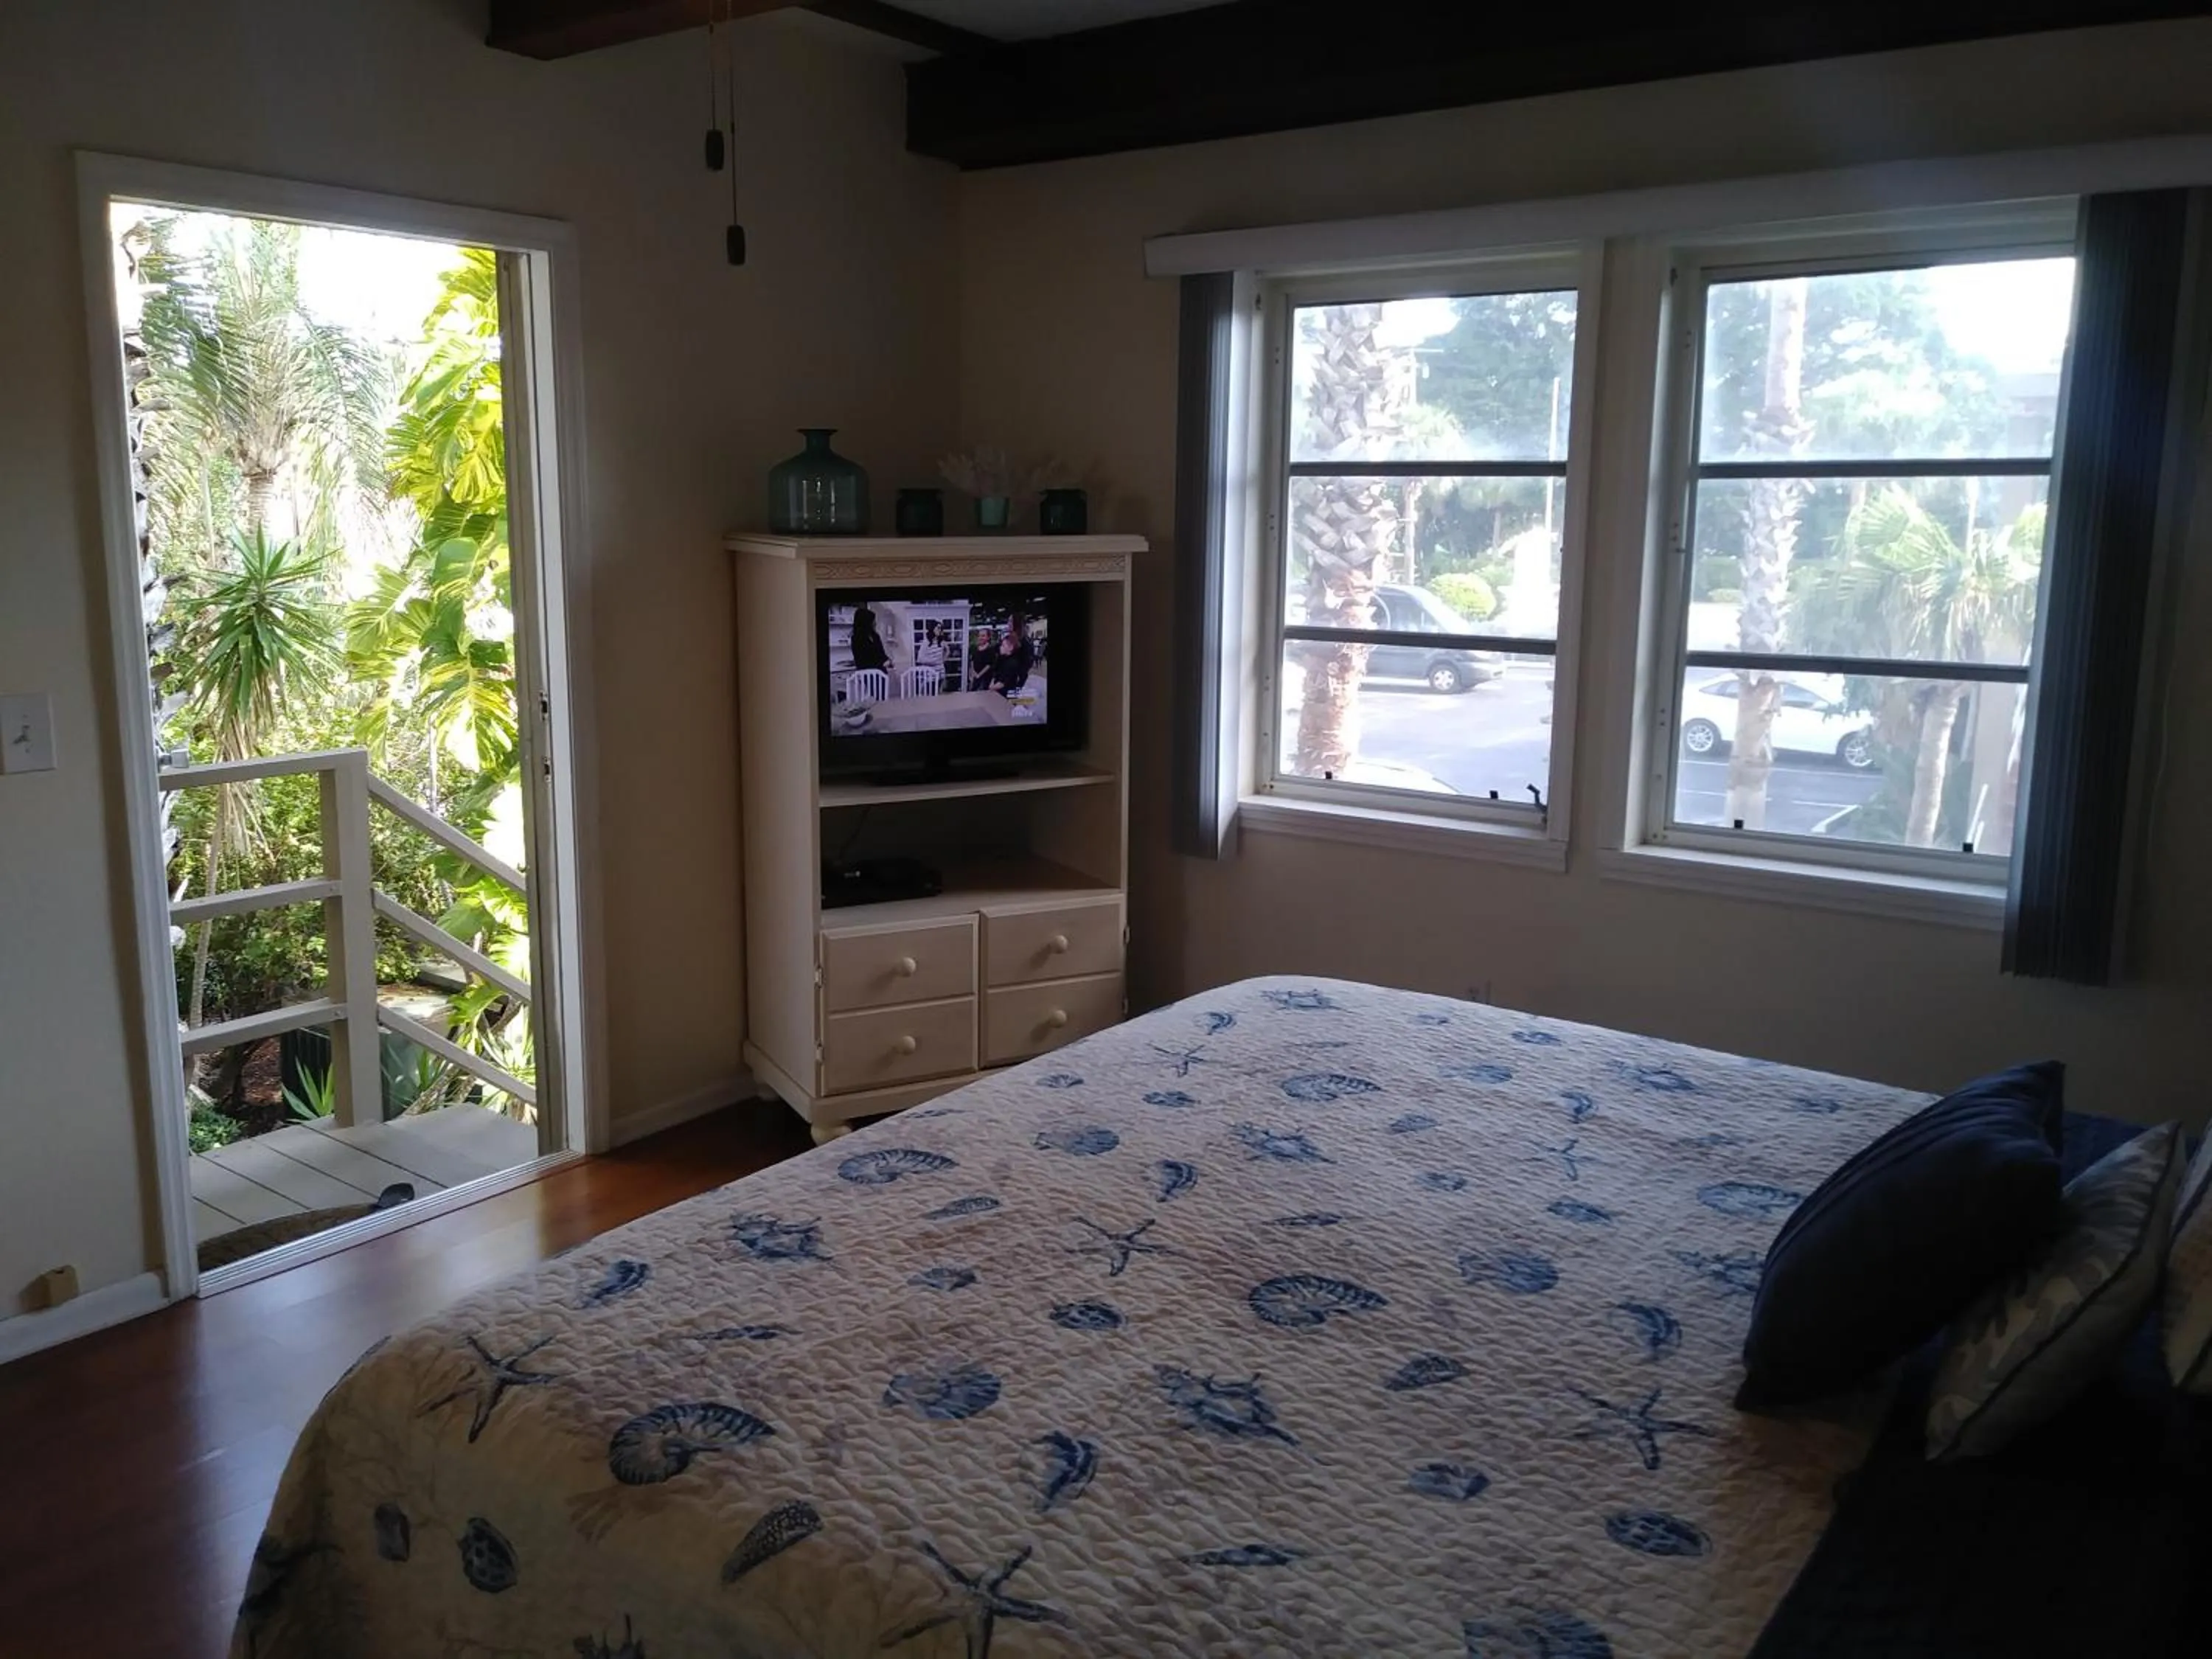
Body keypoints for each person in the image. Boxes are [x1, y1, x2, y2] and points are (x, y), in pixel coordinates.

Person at [849, 604, 888, 674]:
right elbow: (862, 661)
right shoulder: (856, 639)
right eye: (873, 621)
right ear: (866, 623)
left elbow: (882, 654)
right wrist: (881, 664)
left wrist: (888, 660)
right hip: (867, 674)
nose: (875, 623)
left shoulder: (876, 636)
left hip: (881, 673)